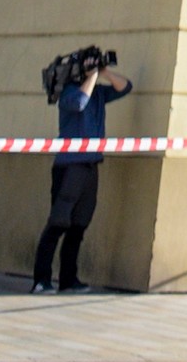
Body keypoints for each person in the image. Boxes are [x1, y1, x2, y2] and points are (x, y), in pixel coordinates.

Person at [31, 47, 132, 294]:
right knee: (58, 222)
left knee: (79, 225)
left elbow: (125, 87)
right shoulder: (67, 91)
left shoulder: (97, 93)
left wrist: (103, 70)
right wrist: (91, 76)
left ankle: (68, 280)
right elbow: (78, 103)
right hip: (69, 166)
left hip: (90, 165)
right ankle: (41, 280)